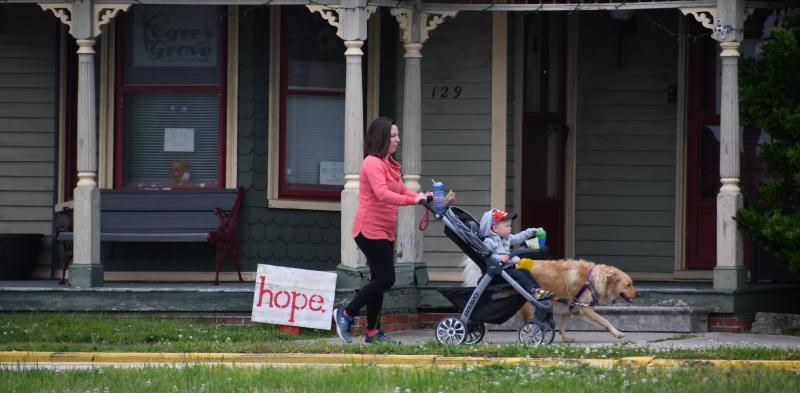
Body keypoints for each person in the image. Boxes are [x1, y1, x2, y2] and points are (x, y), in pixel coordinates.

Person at [333, 117, 428, 344]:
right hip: (368, 230)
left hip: (384, 230)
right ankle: (345, 313)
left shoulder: (388, 164)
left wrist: (423, 197)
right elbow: (383, 194)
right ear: (382, 138)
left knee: (378, 279)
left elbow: (401, 188)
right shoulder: (372, 163)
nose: (398, 140)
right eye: (393, 136)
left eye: (397, 135)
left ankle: (373, 332)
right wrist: (414, 200)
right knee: (386, 278)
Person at [479, 208, 555, 302]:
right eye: (507, 226)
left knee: (524, 271)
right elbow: (485, 256)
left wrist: (532, 231)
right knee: (518, 274)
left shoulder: (506, 238)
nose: (510, 228)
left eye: (510, 225)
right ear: (495, 228)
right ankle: (533, 292)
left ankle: (539, 291)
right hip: (497, 274)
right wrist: (499, 257)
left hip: (507, 270)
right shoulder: (489, 242)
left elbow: (518, 238)